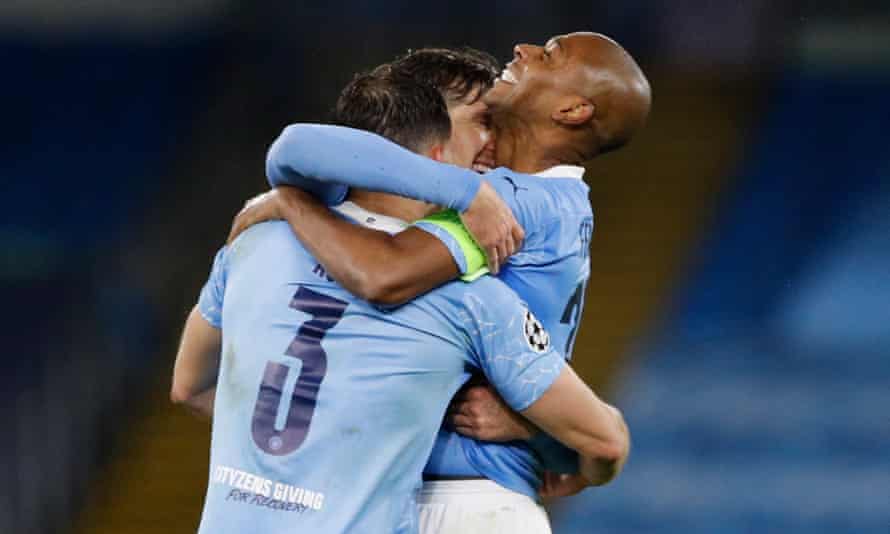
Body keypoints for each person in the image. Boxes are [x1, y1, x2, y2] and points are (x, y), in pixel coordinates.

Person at [172, 71, 629, 534]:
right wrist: (544, 438)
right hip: (473, 506)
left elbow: (188, 387)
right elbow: (604, 442)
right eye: (483, 123)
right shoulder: (467, 295)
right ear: (436, 155)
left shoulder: (253, 245)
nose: (494, 145)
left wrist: (292, 204)